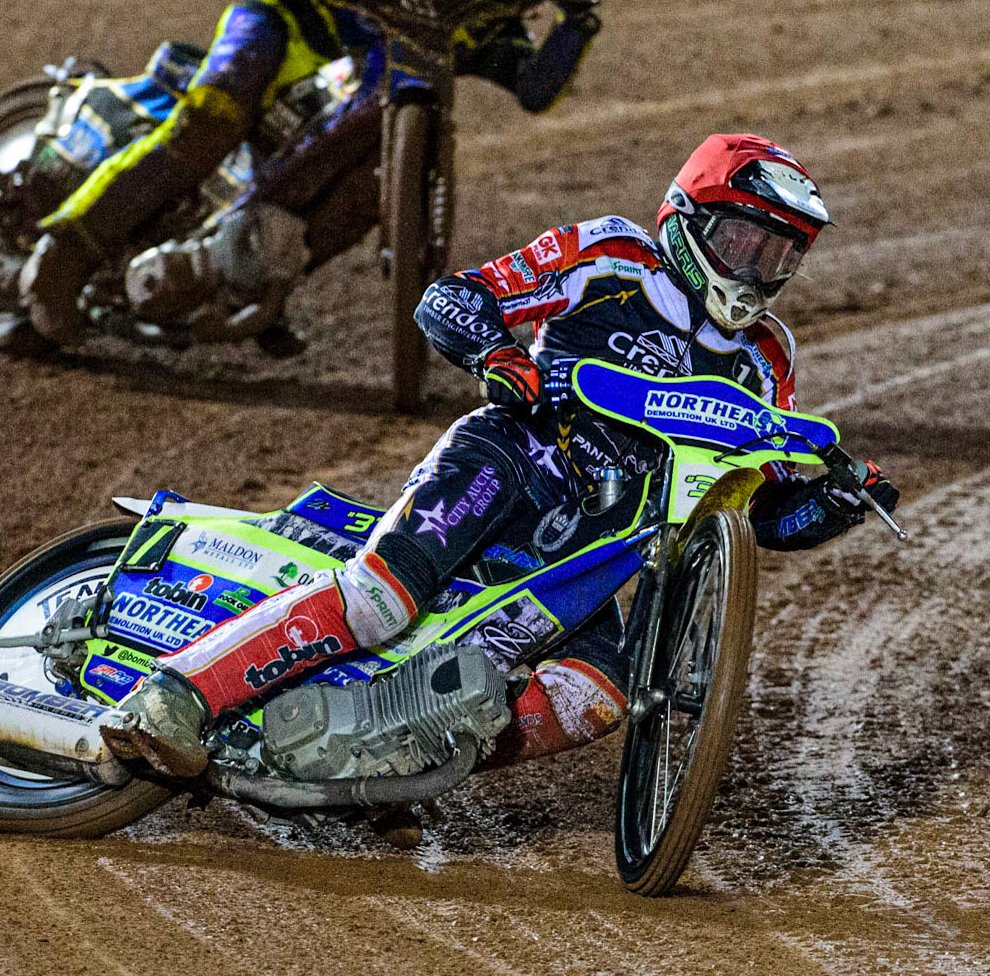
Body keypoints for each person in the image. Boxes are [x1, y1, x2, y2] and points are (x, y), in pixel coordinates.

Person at [103, 133, 900, 779]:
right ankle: (171, 698)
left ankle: (385, 762)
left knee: (592, 698)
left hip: (594, 554)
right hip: (510, 463)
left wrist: (830, 505)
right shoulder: (611, 254)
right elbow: (453, 295)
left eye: (779, 254)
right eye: (742, 241)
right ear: (687, 219)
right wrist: (496, 353)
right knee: (380, 602)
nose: (757, 269)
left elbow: (753, 509)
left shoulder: (768, 355)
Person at [18, 0, 606, 344]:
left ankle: (253, 289)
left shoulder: (490, 23)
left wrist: (577, 24)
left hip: (366, 92)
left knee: (371, 193)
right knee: (214, 116)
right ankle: (60, 255)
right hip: (284, 32)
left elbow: (534, 89)